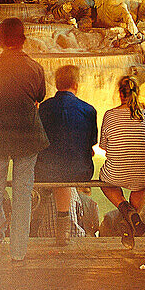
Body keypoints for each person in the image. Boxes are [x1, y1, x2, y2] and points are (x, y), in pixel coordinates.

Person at [0, 17, 49, 262]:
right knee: (23, 192)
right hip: (27, 133)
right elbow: (40, 96)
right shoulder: (35, 67)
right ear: (23, 38)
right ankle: (18, 252)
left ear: (1, 39)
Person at [35, 64, 97, 245]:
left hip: (47, 171)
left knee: (57, 163)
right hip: (81, 171)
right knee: (66, 164)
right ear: (76, 85)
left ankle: (58, 225)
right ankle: (66, 227)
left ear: (56, 84)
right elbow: (91, 144)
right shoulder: (89, 110)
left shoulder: (44, 109)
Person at [98, 75, 145, 249]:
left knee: (104, 181)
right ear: (137, 93)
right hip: (144, 175)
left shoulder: (110, 115)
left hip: (116, 174)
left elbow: (105, 148)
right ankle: (129, 221)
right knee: (143, 181)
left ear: (120, 94)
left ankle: (126, 211)